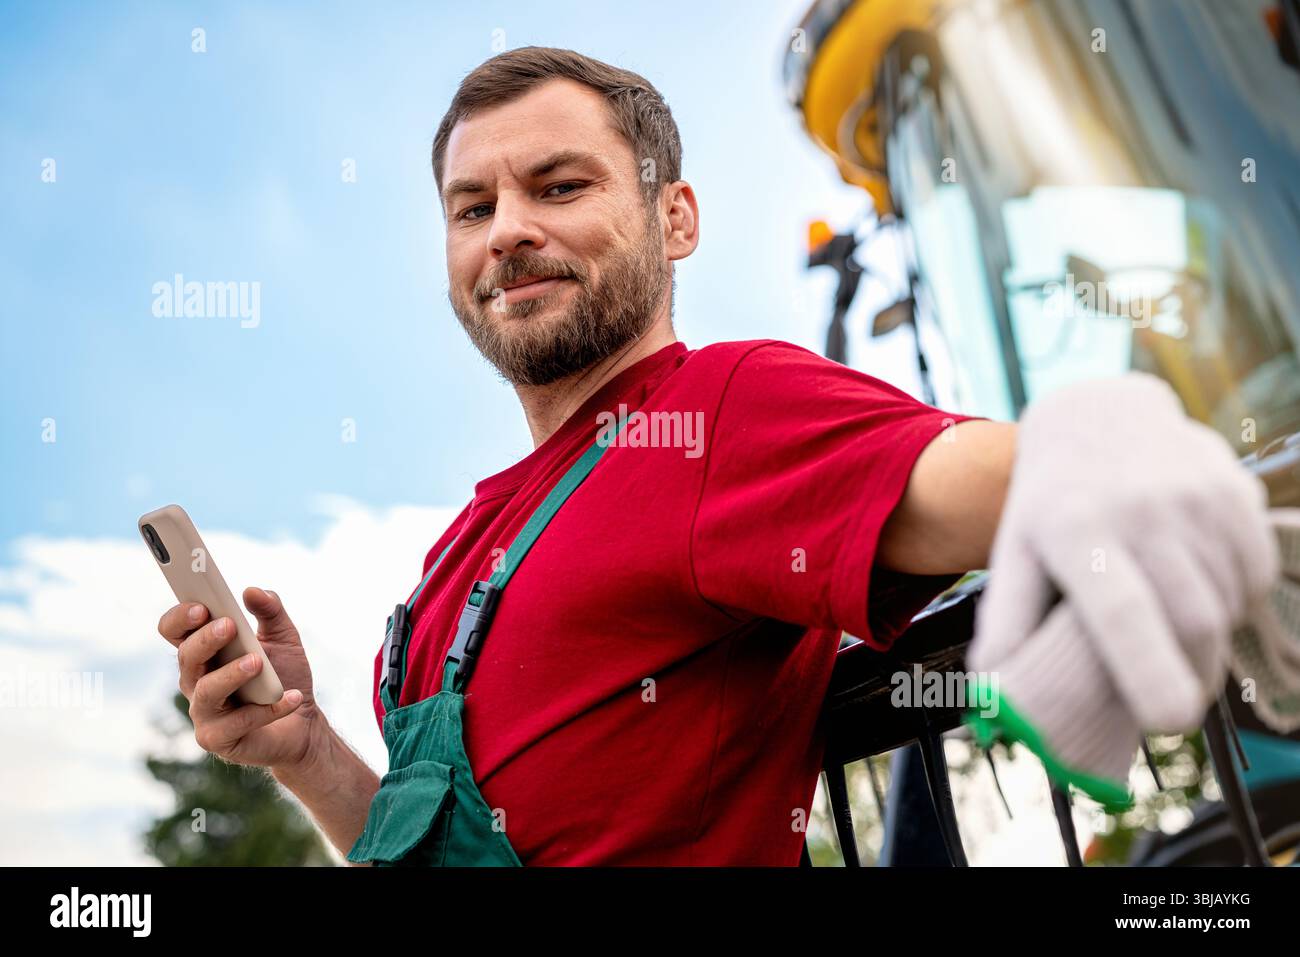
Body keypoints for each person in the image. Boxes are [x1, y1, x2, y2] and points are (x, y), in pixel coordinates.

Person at [154, 47, 1278, 866]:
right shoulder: (457, 555)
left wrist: (1093, 459)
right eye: (471, 206)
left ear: (675, 218)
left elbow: (963, 476)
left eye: (559, 187)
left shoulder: (716, 412)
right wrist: (306, 756)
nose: (505, 231)